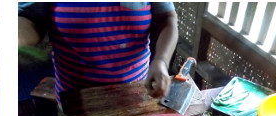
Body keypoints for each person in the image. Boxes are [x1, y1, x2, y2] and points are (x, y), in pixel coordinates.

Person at [19, 2, 178, 101]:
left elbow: (167, 18)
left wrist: (160, 62)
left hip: (135, 92)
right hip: (76, 97)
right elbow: (29, 18)